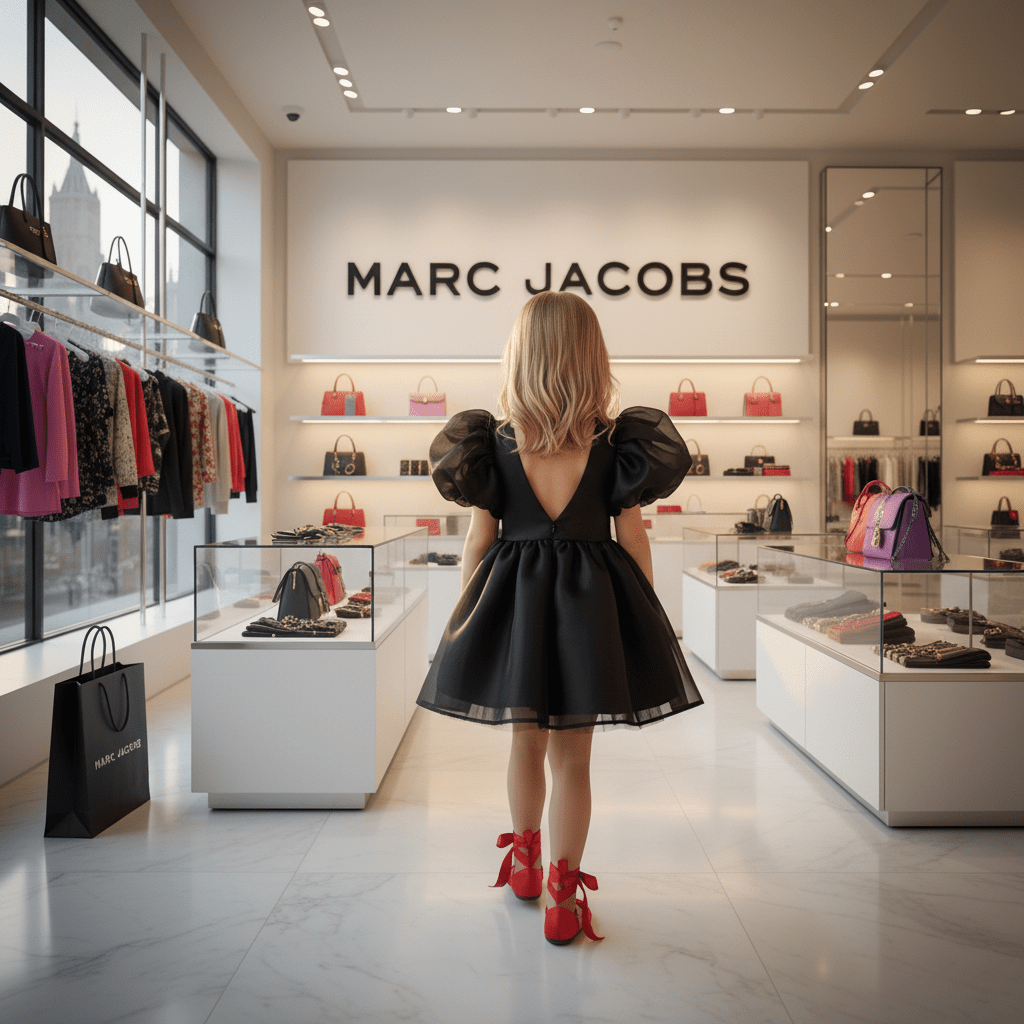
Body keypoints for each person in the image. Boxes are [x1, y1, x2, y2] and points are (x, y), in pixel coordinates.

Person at [417, 291, 704, 946]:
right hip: (590, 608)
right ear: (589, 358)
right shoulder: (615, 443)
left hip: (515, 603)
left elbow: (478, 542)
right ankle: (565, 897)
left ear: (522, 357)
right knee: (575, 759)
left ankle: (524, 861)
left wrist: (469, 616)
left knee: (526, 741)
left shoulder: (491, 443)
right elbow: (632, 539)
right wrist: (647, 616)